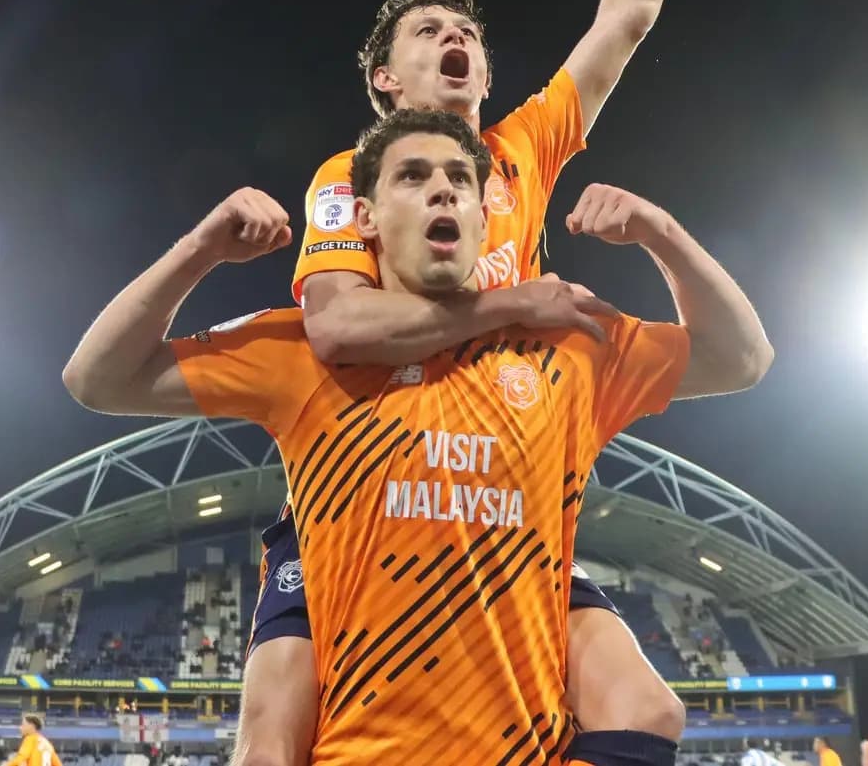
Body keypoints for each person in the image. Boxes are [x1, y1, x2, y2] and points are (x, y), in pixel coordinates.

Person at [62, 108, 772, 765]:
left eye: (461, 179)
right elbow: (96, 378)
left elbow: (741, 357)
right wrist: (199, 249)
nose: (443, 191)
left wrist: (662, 234)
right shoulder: (303, 354)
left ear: (484, 217)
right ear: (364, 217)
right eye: (413, 175)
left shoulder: (568, 345)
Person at [250, 0, 709, 766]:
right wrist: (513, 304)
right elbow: (339, 324)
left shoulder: (522, 153)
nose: (456, 38)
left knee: (647, 711)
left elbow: (624, 21)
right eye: (430, 32)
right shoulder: (351, 177)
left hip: (504, 497)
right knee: (273, 743)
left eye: (469, 33)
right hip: (368, 504)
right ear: (386, 79)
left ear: (487, 74)